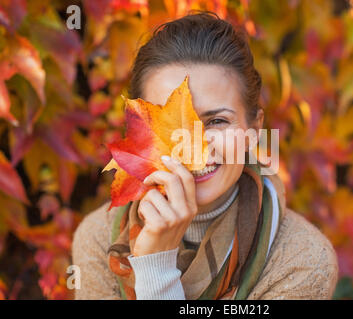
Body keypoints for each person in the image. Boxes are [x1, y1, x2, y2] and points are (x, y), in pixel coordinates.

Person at [72, 12, 338, 300]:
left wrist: (156, 269)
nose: (193, 147)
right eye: (173, 126)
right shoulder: (98, 240)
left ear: (253, 129)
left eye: (216, 121)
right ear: (141, 133)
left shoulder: (302, 261)